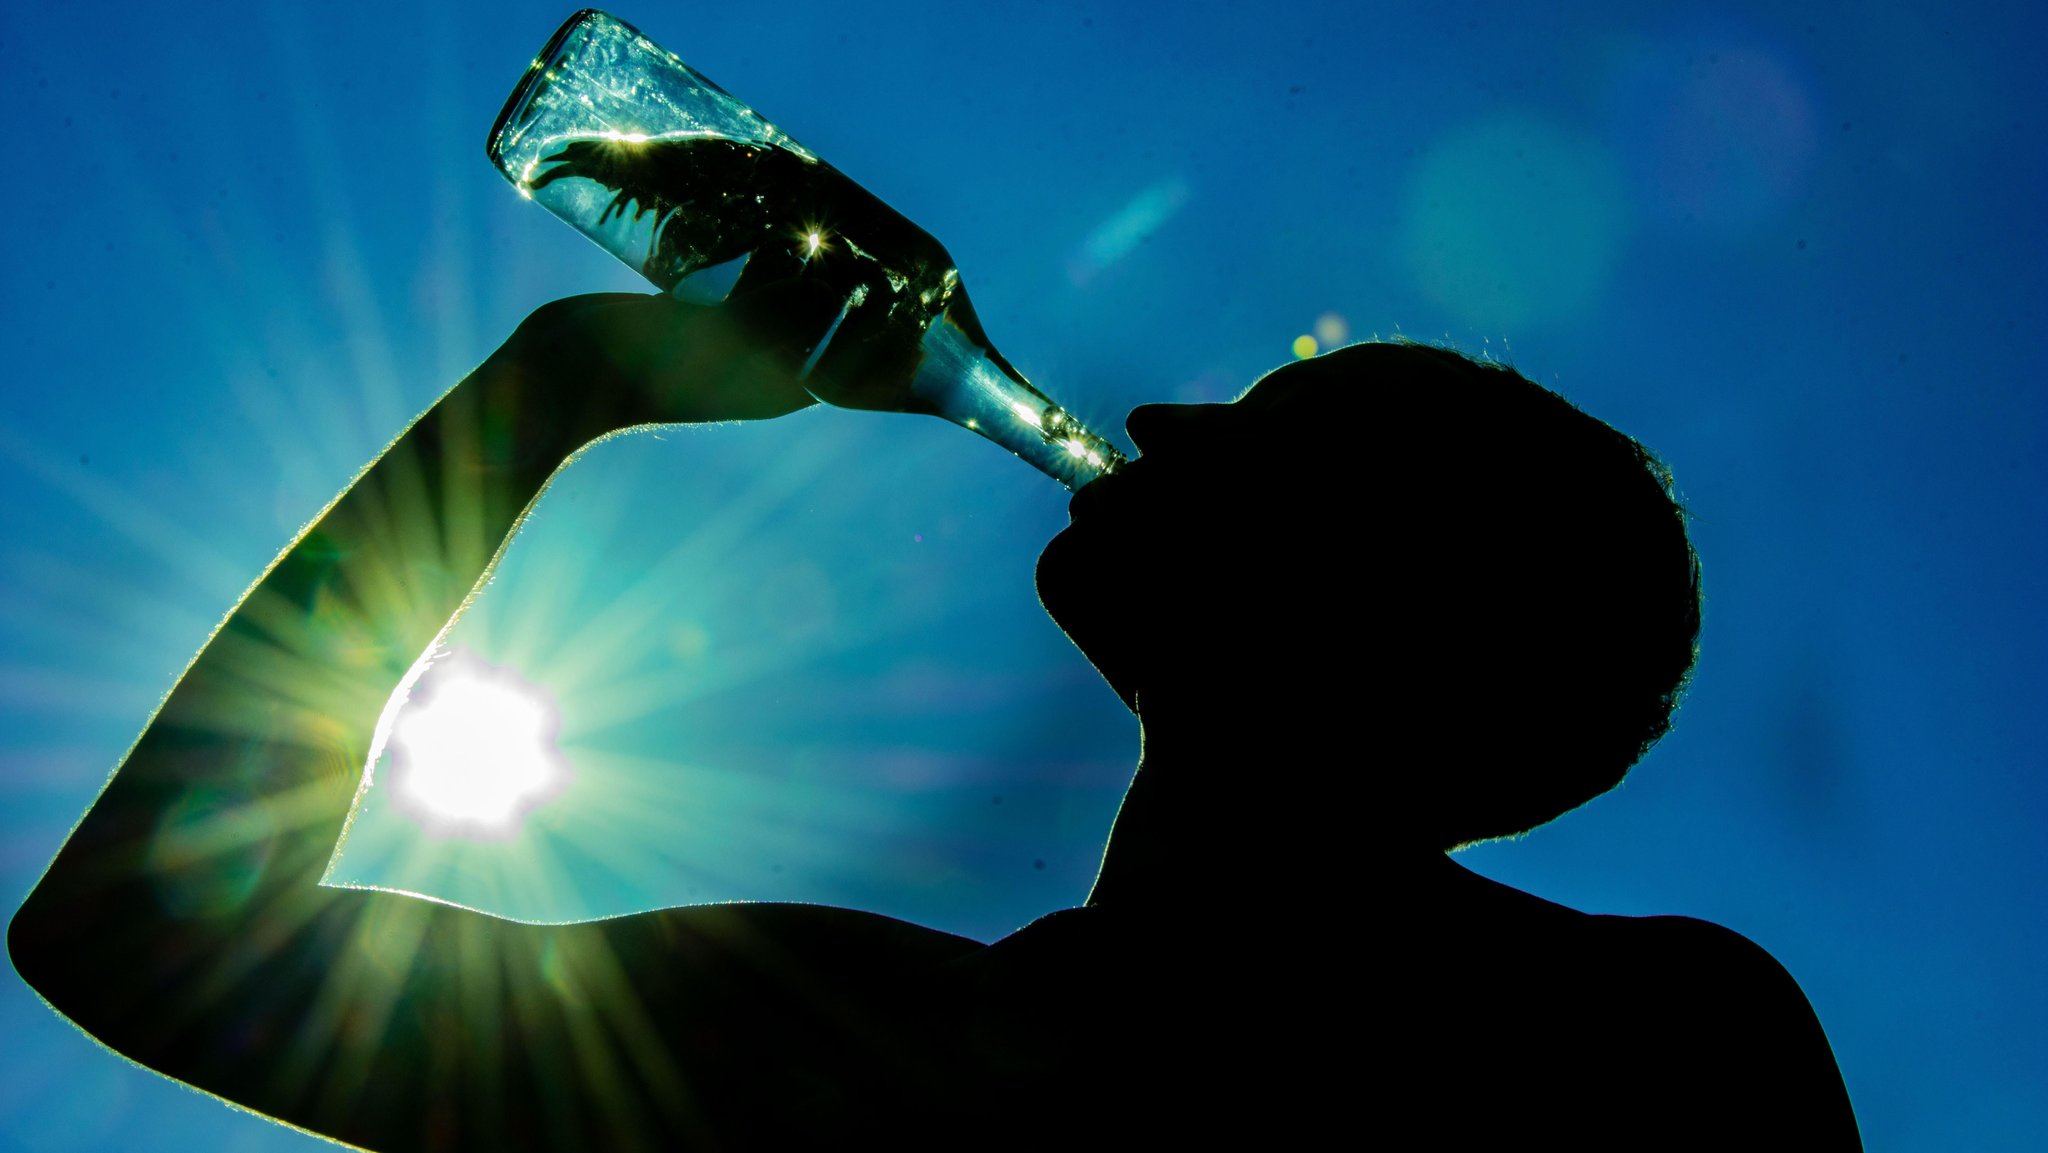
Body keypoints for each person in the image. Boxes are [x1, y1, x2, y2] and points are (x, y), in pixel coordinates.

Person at [7, 288, 1862, 1150]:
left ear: (1408, 603)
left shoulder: (1652, 1045)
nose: (1165, 426)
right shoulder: (846, 1033)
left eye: (1279, 441)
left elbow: (151, 940)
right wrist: (546, 393)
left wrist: (524, 422)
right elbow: (128, 944)